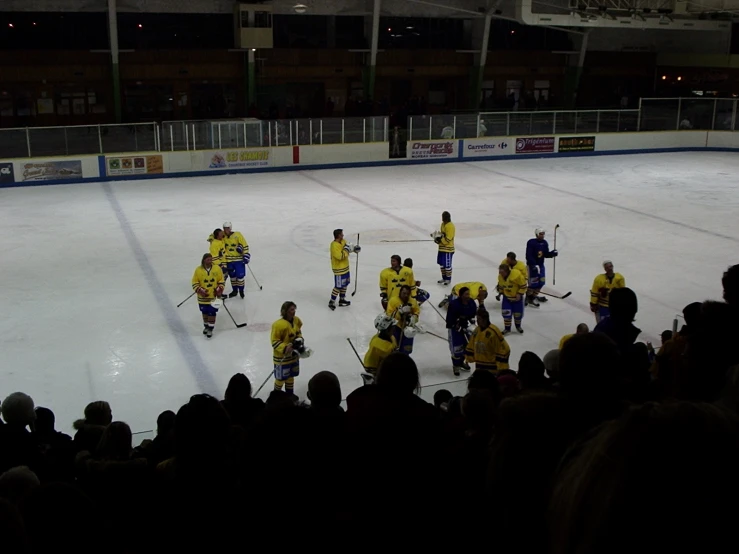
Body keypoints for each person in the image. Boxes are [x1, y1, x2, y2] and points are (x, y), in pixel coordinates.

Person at [271, 301, 310, 397]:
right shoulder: (278, 325)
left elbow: (298, 332)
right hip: (282, 358)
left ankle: (289, 395)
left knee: (290, 376)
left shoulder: (296, 320)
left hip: (293, 356)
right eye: (291, 309)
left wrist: (300, 339)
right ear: (285, 311)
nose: (293, 311)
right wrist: (284, 347)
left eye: (294, 309)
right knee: (280, 379)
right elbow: (274, 341)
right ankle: (276, 396)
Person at [464, 306, 510, 373]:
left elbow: (504, 349)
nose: (477, 321)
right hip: (479, 366)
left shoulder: (494, 332)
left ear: (484, 319)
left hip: (492, 368)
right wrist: (468, 357)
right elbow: (471, 345)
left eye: (479, 319)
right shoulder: (476, 331)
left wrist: (502, 367)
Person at [446, 286, 478, 376]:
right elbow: (450, 318)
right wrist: (455, 324)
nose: (468, 296)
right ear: (461, 295)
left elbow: (473, 314)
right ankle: (456, 366)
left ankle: (461, 362)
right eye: (466, 294)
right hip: (455, 329)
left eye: (469, 293)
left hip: (467, 326)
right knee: (457, 349)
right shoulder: (454, 304)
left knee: (467, 346)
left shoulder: (471, 302)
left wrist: (472, 322)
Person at [191, 253, 225, 338]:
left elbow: (221, 280)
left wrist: (219, 289)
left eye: (211, 259)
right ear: (203, 260)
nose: (209, 261)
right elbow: (194, 282)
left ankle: (210, 328)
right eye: (207, 259)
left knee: (212, 312)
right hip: (202, 298)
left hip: (213, 297)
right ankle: (206, 326)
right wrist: (199, 290)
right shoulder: (198, 270)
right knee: (204, 312)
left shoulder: (217, 269)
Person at [362, 314, 398, 385]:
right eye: (393, 327)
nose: (394, 329)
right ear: (387, 330)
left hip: (377, 363)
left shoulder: (378, 336)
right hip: (374, 368)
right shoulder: (384, 349)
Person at [525, 228, 558, 307]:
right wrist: (533, 265)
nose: (542, 235)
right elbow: (528, 255)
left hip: (541, 266)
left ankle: (532, 297)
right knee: (533, 284)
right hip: (532, 266)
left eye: (543, 234)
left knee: (541, 283)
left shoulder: (544, 243)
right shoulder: (531, 242)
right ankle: (528, 297)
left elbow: (545, 254)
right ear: (536, 234)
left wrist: (552, 254)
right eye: (540, 234)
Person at [329, 228, 360, 311]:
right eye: (341, 234)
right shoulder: (334, 245)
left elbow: (349, 247)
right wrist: (347, 249)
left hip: (345, 268)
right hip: (338, 269)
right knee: (338, 286)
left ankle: (342, 300)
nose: (343, 235)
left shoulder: (343, 241)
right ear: (338, 235)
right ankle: (332, 301)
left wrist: (355, 249)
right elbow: (340, 256)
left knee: (345, 284)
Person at [386, 285, 420, 355]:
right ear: (400, 292)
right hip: (395, 328)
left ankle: (404, 362)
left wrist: (413, 318)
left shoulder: (413, 302)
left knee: (406, 349)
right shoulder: (393, 301)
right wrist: (399, 313)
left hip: (408, 329)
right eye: (404, 293)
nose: (406, 295)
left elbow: (417, 312)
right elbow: (389, 314)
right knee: (393, 348)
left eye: (407, 294)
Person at [222, 221, 250, 299]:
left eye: (227, 228)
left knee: (240, 276)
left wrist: (246, 254)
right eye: (224, 228)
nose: (225, 230)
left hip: (238, 260)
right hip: (229, 261)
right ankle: (235, 291)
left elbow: (244, 245)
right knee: (233, 277)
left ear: (230, 228)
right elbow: (214, 235)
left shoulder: (238, 235)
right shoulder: (223, 236)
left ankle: (241, 291)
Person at [498, 263, 527, 334]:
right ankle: (507, 328)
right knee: (506, 313)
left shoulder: (516, 275)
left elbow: (523, 285)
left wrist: (519, 293)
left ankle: (518, 326)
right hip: (507, 298)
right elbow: (501, 286)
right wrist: (500, 293)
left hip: (517, 299)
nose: (501, 274)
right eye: (500, 272)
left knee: (518, 314)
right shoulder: (500, 277)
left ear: (507, 271)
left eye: (502, 272)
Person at [431, 211, 455, 285]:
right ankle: (444, 277)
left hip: (448, 249)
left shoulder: (450, 226)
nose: (442, 218)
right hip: (441, 248)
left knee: (447, 265)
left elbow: (448, 239)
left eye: (444, 217)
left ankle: (448, 279)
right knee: (441, 264)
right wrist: (437, 238)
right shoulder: (442, 224)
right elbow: (442, 235)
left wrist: (440, 240)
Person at [207, 229, 228, 296]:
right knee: (219, 280)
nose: (223, 234)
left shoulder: (221, 240)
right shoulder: (214, 244)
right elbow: (214, 257)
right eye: (221, 234)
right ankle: (216, 294)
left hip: (224, 263)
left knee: (223, 279)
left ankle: (219, 293)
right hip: (218, 265)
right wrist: (220, 266)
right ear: (217, 235)